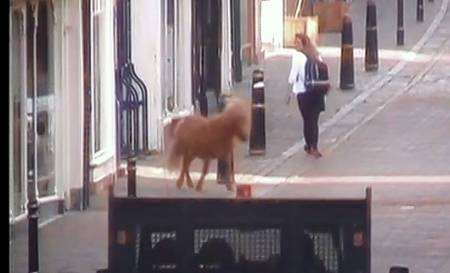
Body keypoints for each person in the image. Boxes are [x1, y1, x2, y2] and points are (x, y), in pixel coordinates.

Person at [288, 33, 326, 158]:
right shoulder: (316, 55)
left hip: (303, 92)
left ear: (303, 44)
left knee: (307, 120)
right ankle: (314, 146)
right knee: (314, 121)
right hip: (317, 92)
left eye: (297, 43)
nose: (295, 45)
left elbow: (293, 76)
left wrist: (289, 88)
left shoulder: (297, 56)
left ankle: (309, 145)